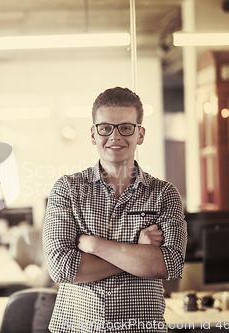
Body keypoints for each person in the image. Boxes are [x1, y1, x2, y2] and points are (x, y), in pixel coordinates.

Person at [43, 87, 187, 333]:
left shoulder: (164, 194)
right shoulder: (67, 190)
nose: (115, 136)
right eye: (105, 127)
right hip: (78, 328)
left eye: (126, 127)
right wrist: (140, 254)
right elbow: (61, 268)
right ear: (93, 134)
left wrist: (95, 246)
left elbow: (170, 265)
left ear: (140, 134)